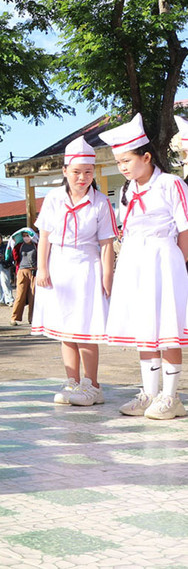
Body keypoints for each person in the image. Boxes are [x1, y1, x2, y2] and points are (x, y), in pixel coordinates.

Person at [100, 114, 188, 419]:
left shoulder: (170, 184)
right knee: (145, 328)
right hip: (134, 262)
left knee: (168, 328)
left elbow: (185, 228)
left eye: (127, 160)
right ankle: (149, 393)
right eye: (118, 163)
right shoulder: (128, 191)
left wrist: (179, 264)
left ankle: (171, 396)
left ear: (146, 157)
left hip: (163, 260)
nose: (122, 167)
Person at [32, 137, 116, 406]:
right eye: (77, 172)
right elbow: (45, 237)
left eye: (88, 172)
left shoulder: (101, 202)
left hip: (87, 268)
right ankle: (72, 381)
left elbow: (107, 244)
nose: (82, 178)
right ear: (65, 171)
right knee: (65, 329)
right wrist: (42, 269)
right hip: (59, 266)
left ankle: (92, 385)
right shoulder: (53, 199)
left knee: (86, 329)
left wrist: (107, 277)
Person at [11, 232, 37, 325]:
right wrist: (14, 244)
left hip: (34, 271)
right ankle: (14, 317)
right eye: (24, 236)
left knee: (33, 295)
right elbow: (15, 256)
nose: (26, 237)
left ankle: (32, 318)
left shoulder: (36, 245)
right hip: (22, 270)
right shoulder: (19, 246)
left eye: (27, 235)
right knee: (20, 295)